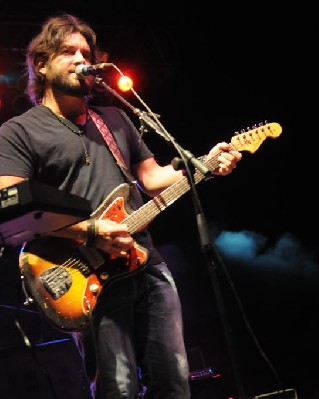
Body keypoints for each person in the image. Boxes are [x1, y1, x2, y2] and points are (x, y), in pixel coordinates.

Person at [0, 13, 242, 398]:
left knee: (175, 383)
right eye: (68, 52)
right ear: (41, 64)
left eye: (86, 52)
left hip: (146, 263)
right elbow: (8, 203)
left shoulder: (113, 118)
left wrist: (205, 165)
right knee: (117, 388)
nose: (82, 59)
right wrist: (88, 231)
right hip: (82, 274)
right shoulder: (19, 131)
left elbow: (151, 179)